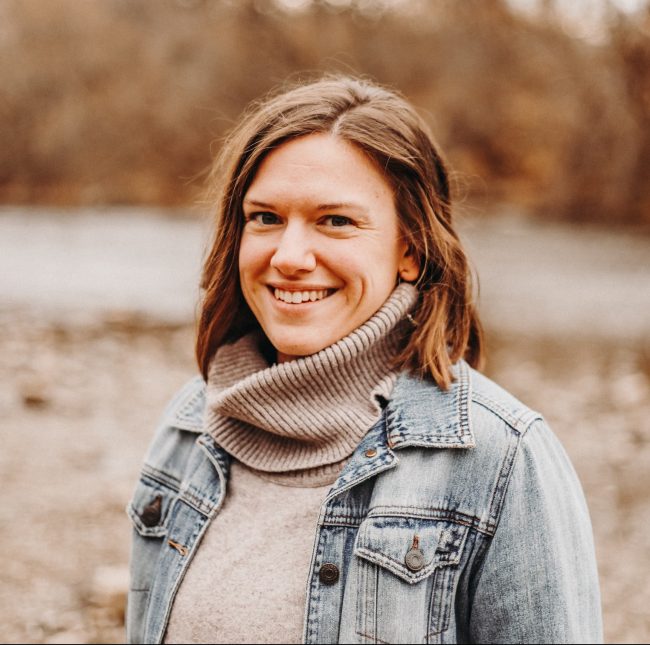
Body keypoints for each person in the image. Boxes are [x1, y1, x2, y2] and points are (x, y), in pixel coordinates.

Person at [126, 75, 602, 644]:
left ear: (410, 249)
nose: (290, 255)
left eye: (336, 221)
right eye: (265, 218)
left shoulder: (500, 459)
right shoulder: (189, 425)